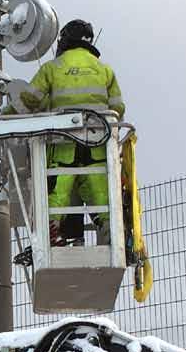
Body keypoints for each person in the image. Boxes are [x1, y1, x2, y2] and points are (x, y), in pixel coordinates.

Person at [20, 19, 124, 244]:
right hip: (97, 145)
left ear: (65, 40)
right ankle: (110, 235)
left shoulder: (52, 68)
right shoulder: (105, 70)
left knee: (58, 192)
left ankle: (52, 234)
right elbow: (117, 108)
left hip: (63, 144)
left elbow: (30, 99)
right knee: (100, 191)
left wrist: (6, 114)